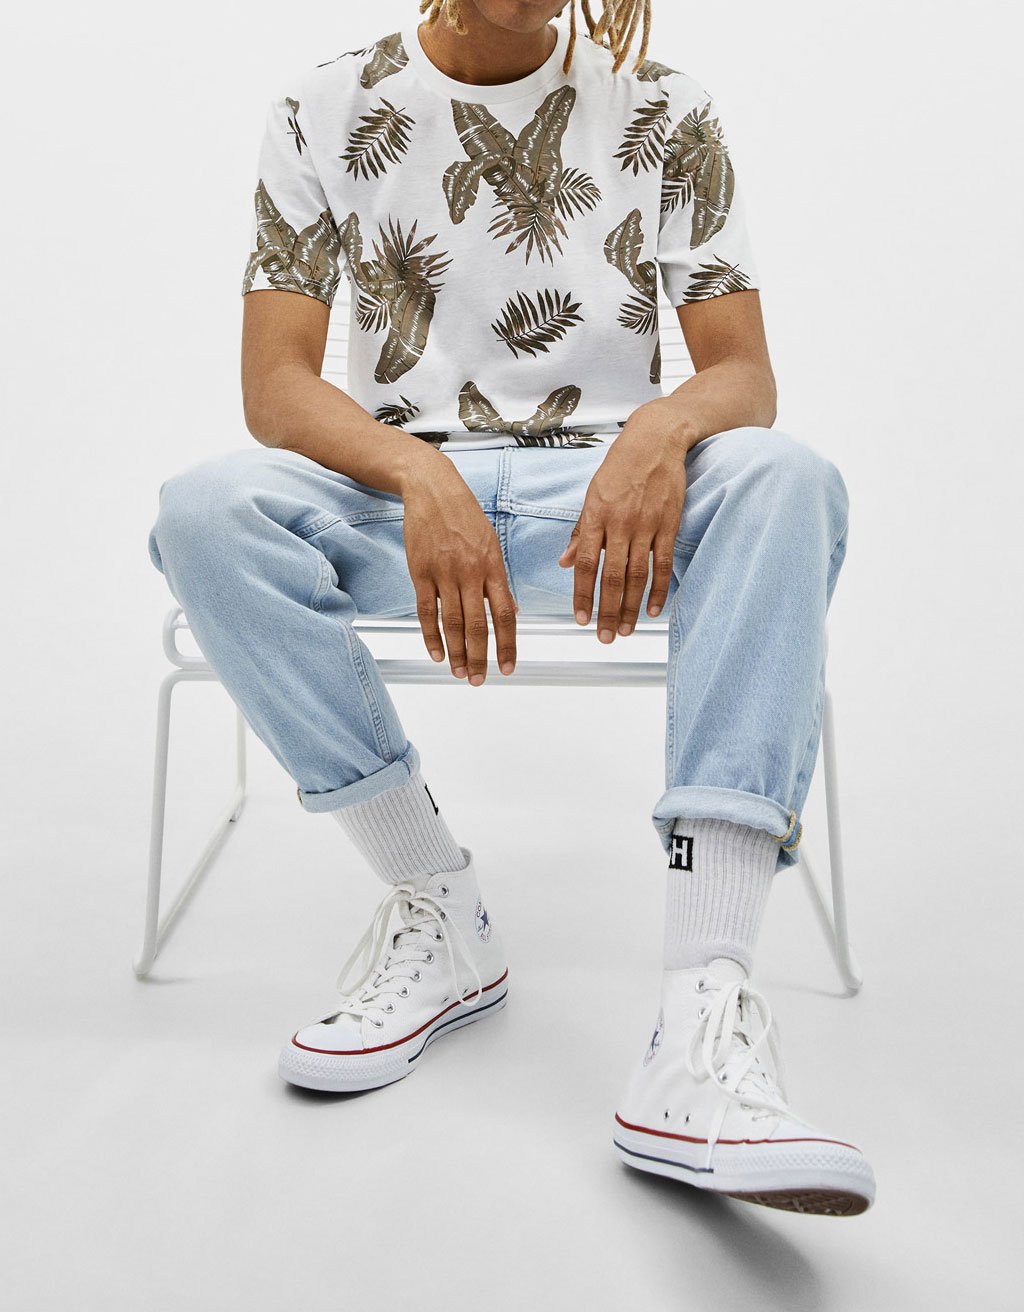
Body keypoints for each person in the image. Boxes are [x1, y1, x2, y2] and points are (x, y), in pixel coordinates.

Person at [147, 0, 875, 1216]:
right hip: (398, 505)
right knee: (206, 513)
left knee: (785, 478)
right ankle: (437, 905)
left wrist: (662, 428)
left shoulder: (666, 107)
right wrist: (413, 470)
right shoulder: (323, 106)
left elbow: (743, 371)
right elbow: (274, 387)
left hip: (608, 504)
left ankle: (703, 1006)